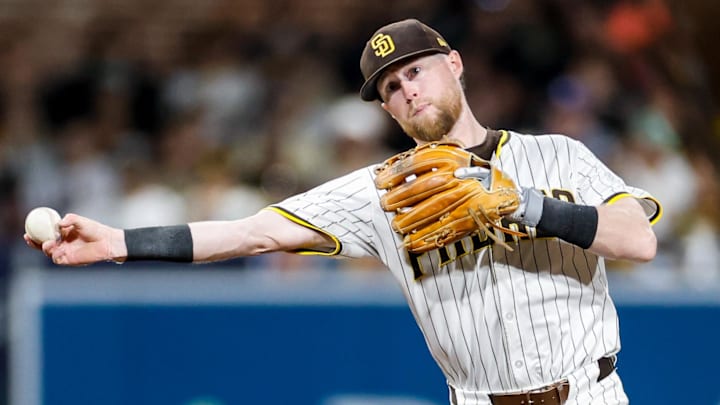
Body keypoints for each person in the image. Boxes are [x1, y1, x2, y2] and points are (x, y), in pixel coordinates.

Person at [25, 19, 661, 405]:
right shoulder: (380, 192)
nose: (407, 88)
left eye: (415, 70)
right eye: (391, 87)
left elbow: (638, 240)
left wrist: (525, 205)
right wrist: (119, 242)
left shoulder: (556, 155)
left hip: (592, 393)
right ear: (386, 110)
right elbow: (252, 232)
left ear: (455, 64)